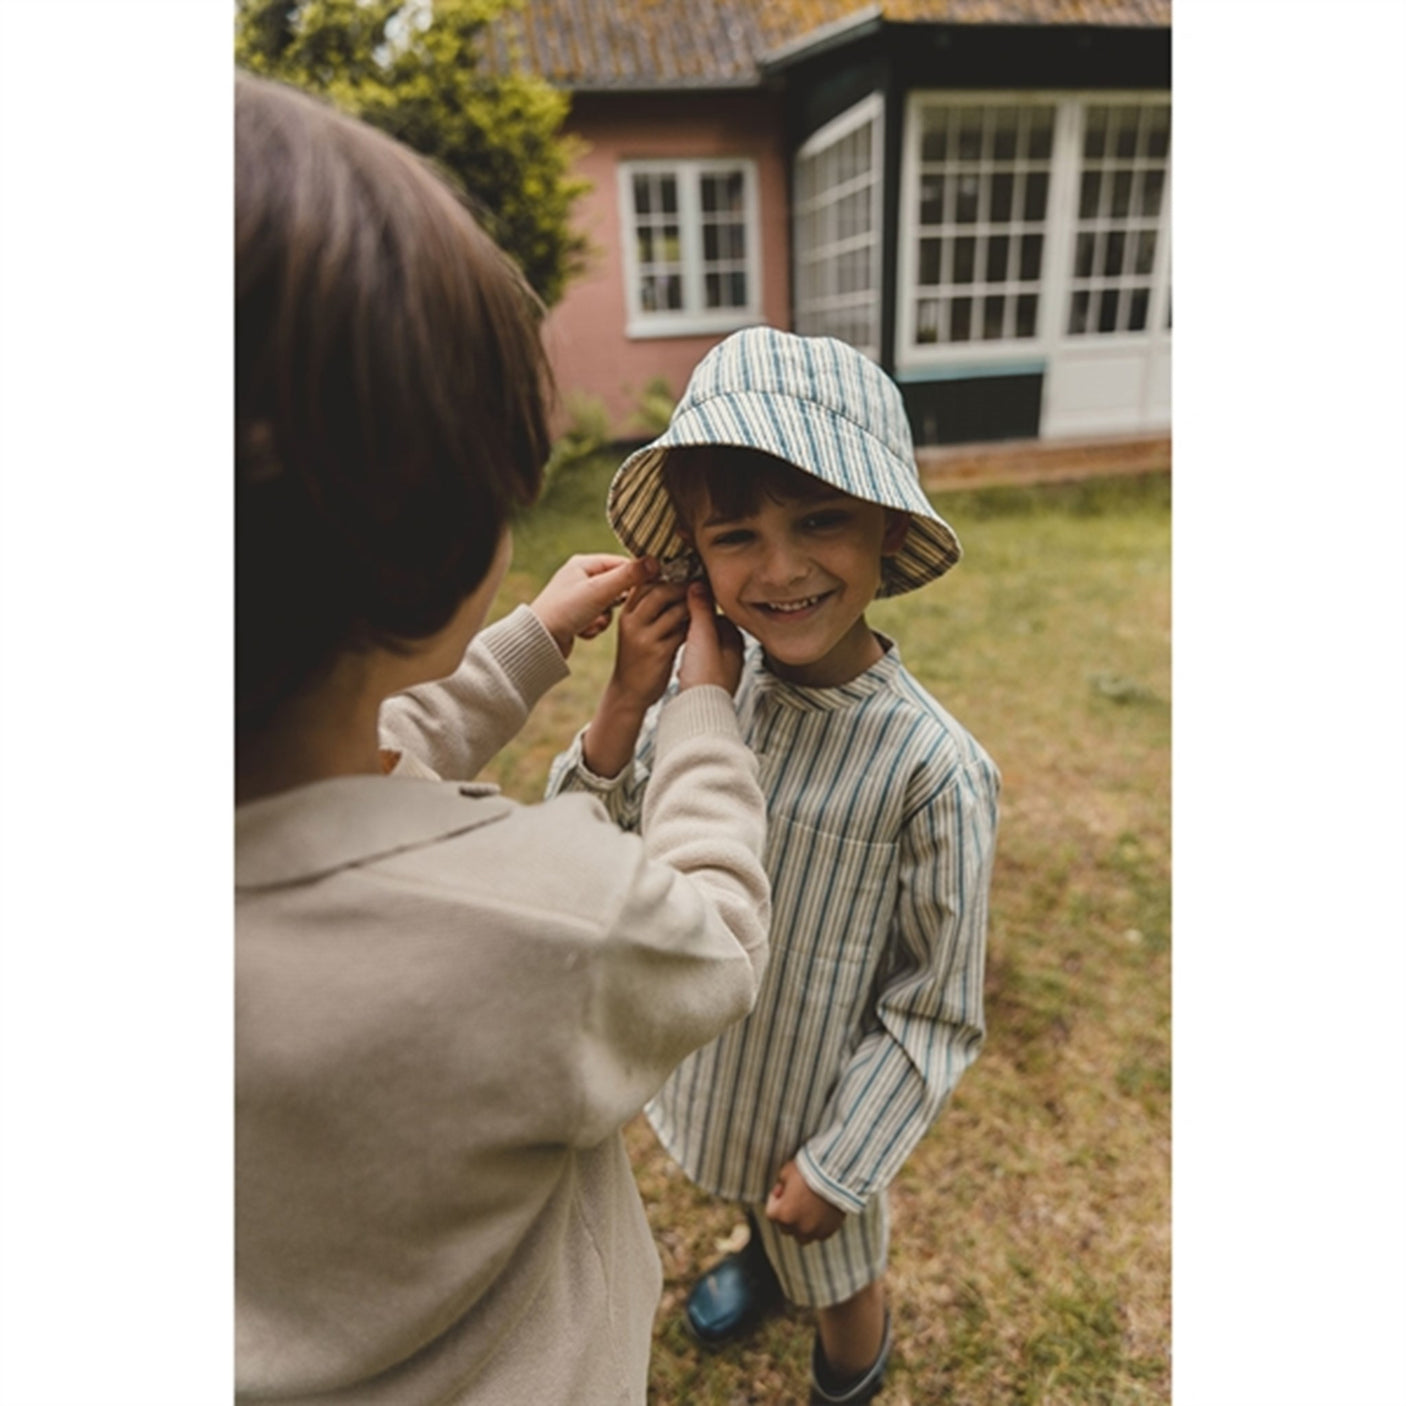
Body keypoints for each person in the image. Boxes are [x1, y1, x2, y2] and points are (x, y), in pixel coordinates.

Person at [235, 73, 771, 1405]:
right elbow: (710, 929)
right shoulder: (545, 920)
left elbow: (373, 748)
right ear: (428, 554)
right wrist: (698, 706)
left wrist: (531, 641)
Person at [546, 327, 1000, 1405]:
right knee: (758, 1203)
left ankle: (850, 1374)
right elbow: (578, 854)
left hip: (821, 1114)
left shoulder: (932, 769)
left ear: (887, 527)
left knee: (836, 1271)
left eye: (820, 520)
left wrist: (844, 1162)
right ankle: (757, 1253)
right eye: (736, 534)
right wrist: (623, 702)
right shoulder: (701, 695)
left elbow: (933, 1007)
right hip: (719, 1075)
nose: (782, 567)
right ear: (695, 556)